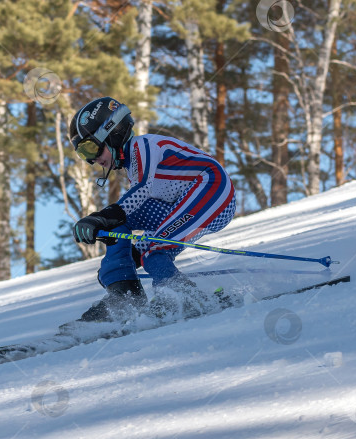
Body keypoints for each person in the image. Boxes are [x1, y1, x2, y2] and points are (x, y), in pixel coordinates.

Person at [68, 97, 236, 322]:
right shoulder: (131, 165)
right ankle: (124, 294)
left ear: (112, 133)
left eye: (91, 148)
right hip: (182, 199)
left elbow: (142, 190)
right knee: (126, 231)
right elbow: (136, 205)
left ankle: (185, 297)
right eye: (84, 155)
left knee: (154, 249)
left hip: (211, 189)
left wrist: (100, 217)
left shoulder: (143, 146)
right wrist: (125, 259)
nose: (93, 160)